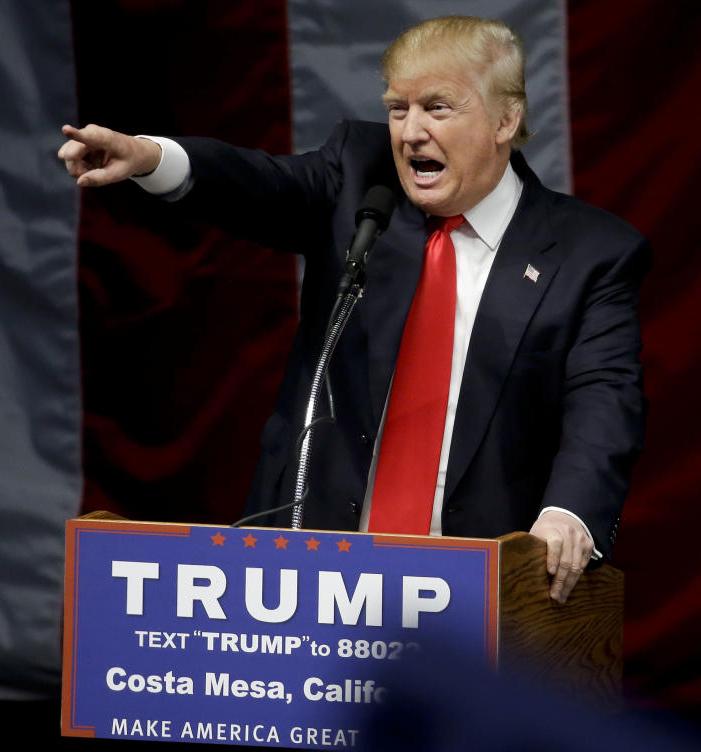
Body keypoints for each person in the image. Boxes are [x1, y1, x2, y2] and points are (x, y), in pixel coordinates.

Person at [58, 16, 649, 604]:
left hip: (483, 583)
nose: (410, 132)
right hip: (311, 573)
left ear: (505, 119)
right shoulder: (362, 178)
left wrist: (569, 513)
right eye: (399, 108)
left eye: (437, 108)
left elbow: (604, 396)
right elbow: (259, 184)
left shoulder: (590, 253)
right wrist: (148, 157)